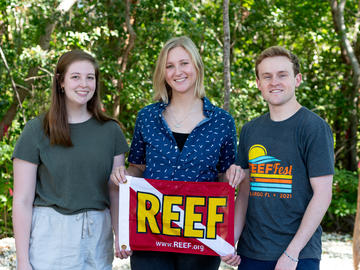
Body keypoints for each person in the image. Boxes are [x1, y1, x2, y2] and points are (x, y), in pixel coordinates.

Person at [111, 36, 244, 270]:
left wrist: (233, 174)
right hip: (151, 232)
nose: (177, 71)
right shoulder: (147, 117)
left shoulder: (222, 122)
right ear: (163, 73)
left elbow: (223, 180)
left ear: (197, 67)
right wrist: (123, 176)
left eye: (184, 63)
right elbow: (138, 168)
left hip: (201, 235)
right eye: (170, 66)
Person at [12, 50, 129, 270]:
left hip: (97, 235)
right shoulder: (36, 130)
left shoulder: (111, 131)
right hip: (52, 236)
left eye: (90, 77)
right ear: (61, 82)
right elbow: (22, 200)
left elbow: (115, 190)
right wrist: (22, 261)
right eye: (75, 76)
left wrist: (119, 235)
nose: (84, 84)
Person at [222, 46, 334, 270]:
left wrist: (291, 255)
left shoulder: (313, 128)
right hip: (251, 253)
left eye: (282, 75)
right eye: (267, 76)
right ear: (258, 83)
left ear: (297, 79)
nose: (274, 82)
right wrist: (229, 241)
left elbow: (323, 195)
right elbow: (244, 193)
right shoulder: (250, 130)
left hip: (298, 256)